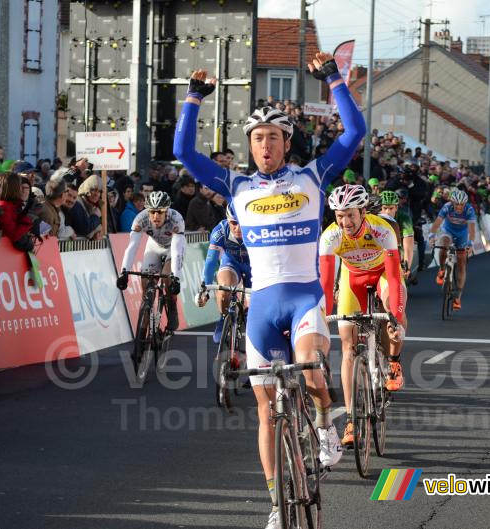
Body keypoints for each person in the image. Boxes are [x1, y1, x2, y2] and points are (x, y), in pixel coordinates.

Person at [173, 51, 365, 529]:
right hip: (262, 306)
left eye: (273, 138)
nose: (264, 145)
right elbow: (183, 152)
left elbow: (354, 133)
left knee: (314, 370)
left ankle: (324, 423)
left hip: (303, 299)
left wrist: (334, 79)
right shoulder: (235, 185)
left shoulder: (313, 175)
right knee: (264, 410)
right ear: (251, 145)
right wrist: (194, 97)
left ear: (287, 142)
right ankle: (277, 502)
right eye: (257, 138)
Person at [319, 184, 406, 448]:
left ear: (363, 211)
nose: (345, 222)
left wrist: (396, 318)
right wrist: (321, 317)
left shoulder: (382, 229)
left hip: (381, 274)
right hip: (352, 279)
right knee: (347, 346)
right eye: (339, 216)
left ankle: (393, 361)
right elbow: (325, 284)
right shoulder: (330, 237)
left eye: (350, 215)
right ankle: (351, 419)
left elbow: (393, 274)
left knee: (393, 307)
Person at [116, 191, 186, 330]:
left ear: (166, 211)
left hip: (172, 247)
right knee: (147, 289)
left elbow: (177, 251)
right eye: (152, 212)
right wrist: (123, 272)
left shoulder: (176, 219)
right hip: (153, 247)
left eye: (160, 212)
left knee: (167, 279)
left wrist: (176, 278)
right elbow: (132, 247)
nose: (155, 216)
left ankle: (171, 307)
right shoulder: (140, 219)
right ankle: (141, 339)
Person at [196, 203, 251, 344]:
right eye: (234, 223)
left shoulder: (256, 227)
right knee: (224, 289)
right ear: (228, 220)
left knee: (254, 310)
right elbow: (210, 262)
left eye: (242, 223)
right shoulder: (220, 231)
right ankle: (223, 318)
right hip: (231, 264)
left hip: (254, 266)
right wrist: (205, 289)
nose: (238, 228)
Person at [429, 189, 476, 311]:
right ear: (452, 202)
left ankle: (458, 297)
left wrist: (470, 243)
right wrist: (431, 236)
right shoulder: (447, 207)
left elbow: (471, 229)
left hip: (462, 234)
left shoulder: (469, 210)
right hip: (448, 231)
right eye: (457, 204)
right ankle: (442, 269)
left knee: (461, 262)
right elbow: (437, 222)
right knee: (443, 244)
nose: (459, 207)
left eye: (462, 204)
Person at [0, 172, 38, 252]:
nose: (21, 190)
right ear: (14, 188)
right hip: (3, 253)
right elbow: (14, 235)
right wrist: (28, 217)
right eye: (20, 186)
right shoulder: (4, 207)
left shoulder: (12, 205)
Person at [380, 190, 415, 279]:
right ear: (380, 208)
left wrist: (407, 266)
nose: (387, 212)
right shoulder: (374, 217)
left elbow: (408, 244)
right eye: (384, 208)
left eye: (391, 208)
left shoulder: (404, 218)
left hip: (397, 247)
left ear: (396, 207)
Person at [70, 174, 103, 239]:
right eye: (93, 190)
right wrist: (96, 216)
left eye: (99, 191)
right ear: (87, 190)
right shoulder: (77, 203)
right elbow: (86, 230)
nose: (97, 194)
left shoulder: (92, 206)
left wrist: (97, 232)